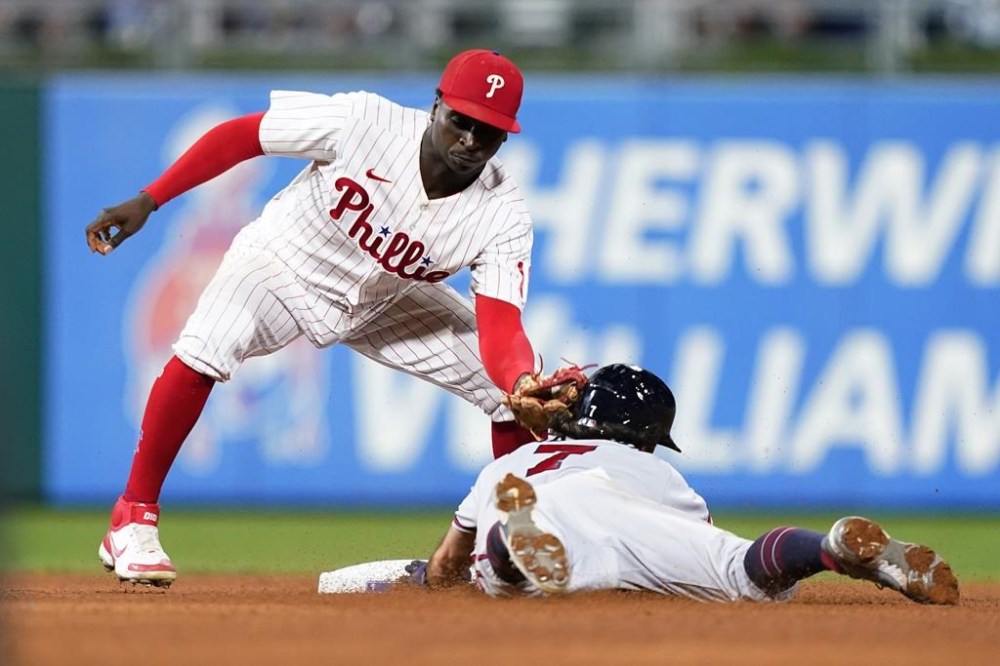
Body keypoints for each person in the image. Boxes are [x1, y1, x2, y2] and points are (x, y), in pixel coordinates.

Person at [86, 49, 545, 587]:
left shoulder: (504, 212)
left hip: (383, 302)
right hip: (282, 263)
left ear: (505, 137)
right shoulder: (363, 121)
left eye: (487, 131)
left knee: (514, 393)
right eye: (460, 120)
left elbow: (500, 327)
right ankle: (132, 518)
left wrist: (520, 378)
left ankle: (513, 540)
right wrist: (151, 198)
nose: (469, 139)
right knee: (208, 344)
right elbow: (244, 136)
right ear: (436, 105)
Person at [382, 364, 958, 604]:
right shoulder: (658, 471)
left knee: (501, 585)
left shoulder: (512, 464)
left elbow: (445, 565)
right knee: (744, 573)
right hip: (636, 518)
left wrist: (429, 579)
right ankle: (826, 549)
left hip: (538, 502)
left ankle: (512, 546)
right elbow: (693, 543)